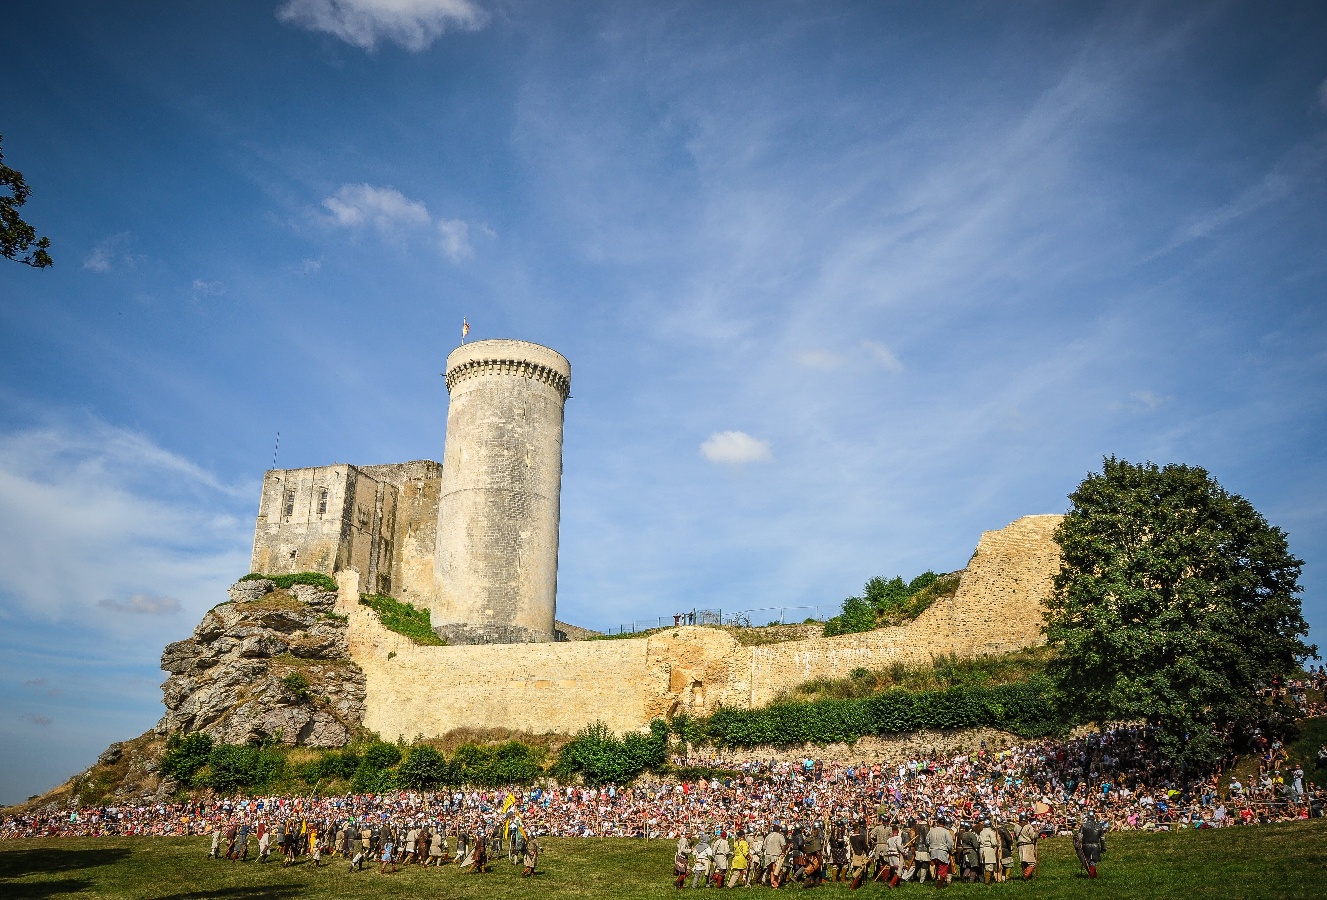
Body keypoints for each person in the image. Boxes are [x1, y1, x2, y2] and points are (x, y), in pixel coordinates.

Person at [925, 816, 954, 888]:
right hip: (942, 852)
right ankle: (939, 885)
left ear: (937, 823)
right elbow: (950, 843)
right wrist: (951, 851)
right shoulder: (946, 832)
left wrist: (931, 846)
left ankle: (937, 880)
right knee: (943, 868)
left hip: (933, 851)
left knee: (937, 867)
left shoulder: (931, 831)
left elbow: (927, 841)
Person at [1078, 812, 1105, 879]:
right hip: (1096, 846)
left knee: (1090, 861)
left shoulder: (1084, 825)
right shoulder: (1099, 826)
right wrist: (1103, 847)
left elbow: (1079, 836)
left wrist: (1079, 845)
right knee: (1093, 861)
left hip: (1086, 845)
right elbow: (1102, 838)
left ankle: (1091, 876)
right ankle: (1093, 875)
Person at [1016, 814, 1039, 880]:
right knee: (1032, 863)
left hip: (1020, 846)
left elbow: (1015, 836)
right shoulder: (1028, 826)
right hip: (1028, 845)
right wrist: (1037, 831)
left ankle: (1028, 877)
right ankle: (1025, 876)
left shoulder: (1016, 826)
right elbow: (1033, 836)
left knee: (1024, 863)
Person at [977, 819, 999, 885]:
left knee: (984, 866)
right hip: (988, 849)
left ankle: (985, 879)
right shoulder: (991, 832)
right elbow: (994, 842)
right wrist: (998, 844)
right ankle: (987, 882)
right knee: (989, 867)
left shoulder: (981, 832)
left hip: (981, 849)